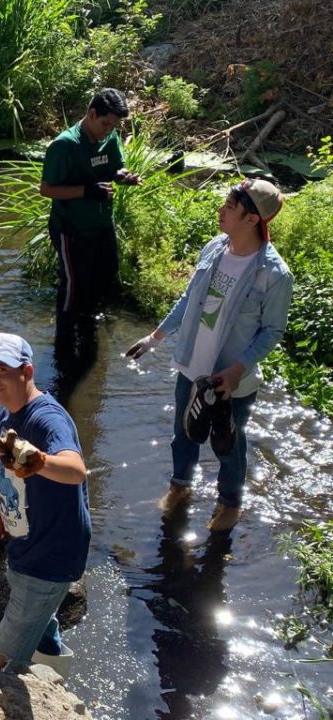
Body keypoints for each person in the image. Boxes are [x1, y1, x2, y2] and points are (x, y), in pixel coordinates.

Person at [126, 178, 293, 532]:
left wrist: (236, 371)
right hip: (192, 366)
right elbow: (189, 301)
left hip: (232, 380)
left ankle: (230, 503)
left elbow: (272, 332)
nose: (221, 210)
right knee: (183, 434)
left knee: (229, 445)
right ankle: (179, 487)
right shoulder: (216, 247)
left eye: (230, 207)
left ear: (252, 220)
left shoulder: (273, 274)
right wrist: (155, 337)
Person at [0, 333, 90, 677]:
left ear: (26, 371)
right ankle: (54, 673)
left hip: (50, 555)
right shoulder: (8, 416)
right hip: (26, 543)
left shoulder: (46, 418)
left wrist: (40, 462)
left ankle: (16, 684)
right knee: (41, 622)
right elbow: (12, 477)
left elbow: (75, 470)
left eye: (1, 369)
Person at [40, 89, 141, 403]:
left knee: (107, 270)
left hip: (100, 223)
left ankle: (87, 319)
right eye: (106, 124)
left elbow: (112, 167)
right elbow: (47, 189)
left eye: (114, 126)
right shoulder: (64, 145)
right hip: (71, 228)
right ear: (91, 113)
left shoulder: (108, 139)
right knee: (73, 285)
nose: (109, 130)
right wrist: (86, 191)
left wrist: (122, 176)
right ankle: (63, 343)